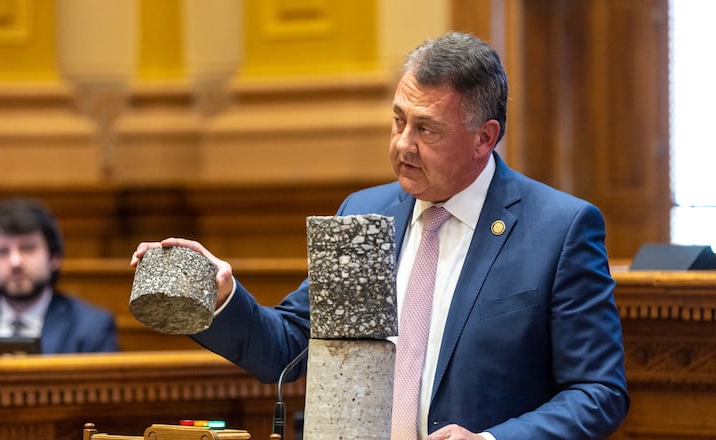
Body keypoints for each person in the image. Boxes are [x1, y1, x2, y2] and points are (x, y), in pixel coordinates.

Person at [130, 32, 629, 439]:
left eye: (426, 130)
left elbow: (598, 392)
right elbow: (289, 347)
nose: (402, 145)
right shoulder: (366, 214)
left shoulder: (559, 229)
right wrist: (222, 296)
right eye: (398, 120)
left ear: (484, 137)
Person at [0, 197, 119, 357]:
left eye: (28, 248)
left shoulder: (91, 327)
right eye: (2, 251)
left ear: (54, 257)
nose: (15, 261)